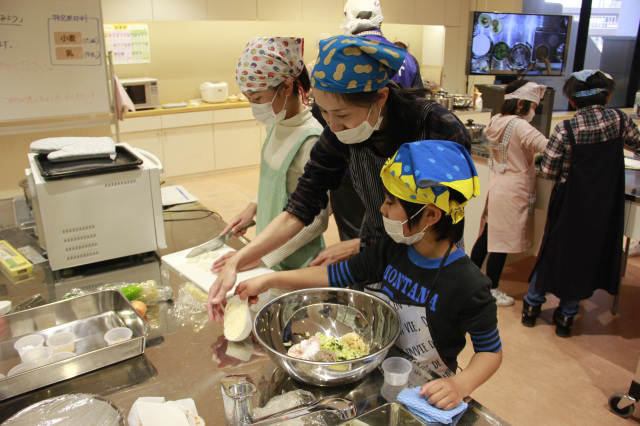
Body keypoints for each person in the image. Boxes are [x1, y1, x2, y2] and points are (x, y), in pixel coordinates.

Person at [207, 35, 471, 323]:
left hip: (430, 254)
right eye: (324, 113)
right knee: (372, 325)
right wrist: (238, 259)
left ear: (380, 96)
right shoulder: (338, 133)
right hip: (374, 251)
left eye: (342, 114)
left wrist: (362, 245)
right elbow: (302, 204)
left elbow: (439, 220)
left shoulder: (437, 129)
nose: (332, 126)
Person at [236, 140, 502, 410]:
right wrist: (270, 279)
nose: (383, 210)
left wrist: (461, 384)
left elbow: (490, 351)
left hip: (428, 392)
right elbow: (334, 274)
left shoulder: (468, 284)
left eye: (390, 202)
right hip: (376, 376)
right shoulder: (390, 249)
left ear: (430, 215)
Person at [522, 70, 640, 337]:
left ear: (573, 102)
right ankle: (566, 317)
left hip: (570, 204)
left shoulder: (566, 129)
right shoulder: (620, 121)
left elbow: (550, 170)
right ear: (607, 96)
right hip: (605, 206)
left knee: (553, 250)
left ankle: (531, 308)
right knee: (585, 256)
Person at [215, 36, 329, 272]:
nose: (254, 107)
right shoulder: (276, 124)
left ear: (286, 87)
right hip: (267, 245)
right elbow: (281, 183)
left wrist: (265, 255)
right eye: (249, 100)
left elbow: (317, 220)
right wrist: (253, 206)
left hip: (294, 260)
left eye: (258, 99)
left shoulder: (311, 139)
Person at [470, 81, 548, 307]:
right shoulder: (521, 126)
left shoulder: (497, 120)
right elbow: (547, 146)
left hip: (497, 185)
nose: (534, 110)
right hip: (514, 190)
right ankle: (492, 289)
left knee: (487, 237)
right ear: (522, 103)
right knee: (500, 243)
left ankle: (470, 280)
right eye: (533, 105)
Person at [340, 0, 424, 89]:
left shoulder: (342, 55)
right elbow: (419, 99)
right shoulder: (408, 58)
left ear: (347, 22)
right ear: (380, 22)